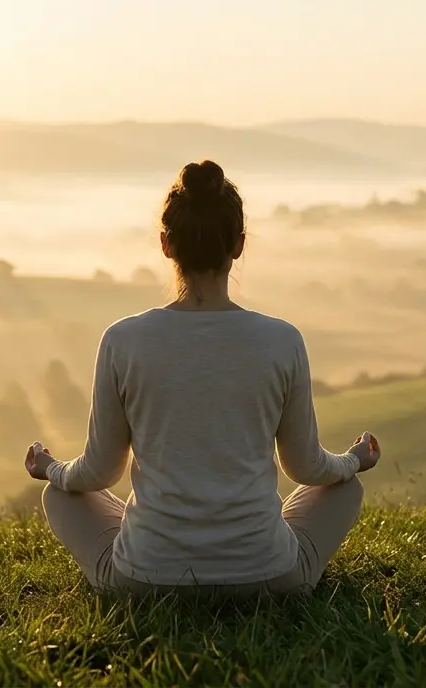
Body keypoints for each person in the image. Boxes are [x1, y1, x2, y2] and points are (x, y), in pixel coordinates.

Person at [25, 160, 381, 596]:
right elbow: (306, 467)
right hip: (268, 578)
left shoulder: (122, 340)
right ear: (238, 245)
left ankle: (151, 550)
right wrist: (353, 461)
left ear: (165, 245)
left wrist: (52, 469)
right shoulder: (282, 340)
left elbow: (99, 472)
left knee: (59, 495)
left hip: (145, 580)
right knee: (346, 489)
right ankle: (259, 553)